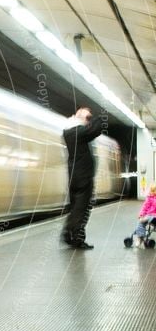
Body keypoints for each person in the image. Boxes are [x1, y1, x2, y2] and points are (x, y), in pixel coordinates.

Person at [62, 106, 104, 249]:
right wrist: (90, 117)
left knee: (76, 208)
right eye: (87, 118)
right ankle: (71, 235)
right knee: (82, 209)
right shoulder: (77, 132)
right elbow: (98, 127)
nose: (88, 121)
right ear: (81, 118)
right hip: (83, 178)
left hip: (75, 177)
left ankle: (74, 237)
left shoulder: (69, 132)